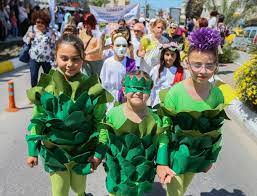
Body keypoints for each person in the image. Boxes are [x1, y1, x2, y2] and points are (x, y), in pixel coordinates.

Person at [25, 34, 112, 196]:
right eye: (64, 58)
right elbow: (37, 120)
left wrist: (99, 152)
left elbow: (101, 122)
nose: (70, 64)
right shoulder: (46, 86)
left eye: (75, 59)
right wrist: (32, 151)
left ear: (83, 59)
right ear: (55, 57)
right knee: (59, 191)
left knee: (79, 190)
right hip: (54, 152)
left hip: (82, 152)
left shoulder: (93, 87)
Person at [160, 27, 226, 196]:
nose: (203, 71)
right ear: (187, 63)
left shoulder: (217, 95)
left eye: (209, 65)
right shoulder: (175, 93)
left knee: (182, 190)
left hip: (197, 155)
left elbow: (216, 129)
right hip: (175, 155)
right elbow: (164, 131)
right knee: (175, 193)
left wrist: (211, 157)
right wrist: (161, 162)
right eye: (197, 64)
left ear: (216, 66)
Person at [94, 70, 175, 196]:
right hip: (117, 175)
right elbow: (104, 135)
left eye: (144, 88)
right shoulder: (113, 114)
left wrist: (162, 163)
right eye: (133, 87)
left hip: (141, 177)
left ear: (150, 91)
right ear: (124, 90)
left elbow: (162, 140)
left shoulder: (155, 119)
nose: (138, 92)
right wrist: (98, 156)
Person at [100, 33, 136, 108]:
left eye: (124, 46)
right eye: (118, 45)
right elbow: (103, 81)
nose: (121, 48)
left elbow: (132, 82)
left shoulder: (130, 63)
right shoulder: (107, 62)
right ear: (112, 47)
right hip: (109, 98)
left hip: (124, 98)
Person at [23, 9, 56, 87]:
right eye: (38, 22)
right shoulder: (31, 29)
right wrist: (29, 37)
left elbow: (54, 45)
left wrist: (55, 58)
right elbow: (25, 40)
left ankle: (47, 94)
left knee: (48, 78)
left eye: (42, 22)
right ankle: (34, 95)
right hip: (34, 58)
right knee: (33, 77)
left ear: (46, 23)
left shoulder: (50, 31)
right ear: (35, 21)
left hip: (47, 59)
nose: (40, 24)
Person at [150, 42, 185, 107]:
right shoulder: (156, 69)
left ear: (176, 56)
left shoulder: (180, 71)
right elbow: (151, 86)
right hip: (157, 101)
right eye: (167, 54)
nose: (170, 58)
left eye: (172, 55)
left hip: (173, 100)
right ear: (163, 55)